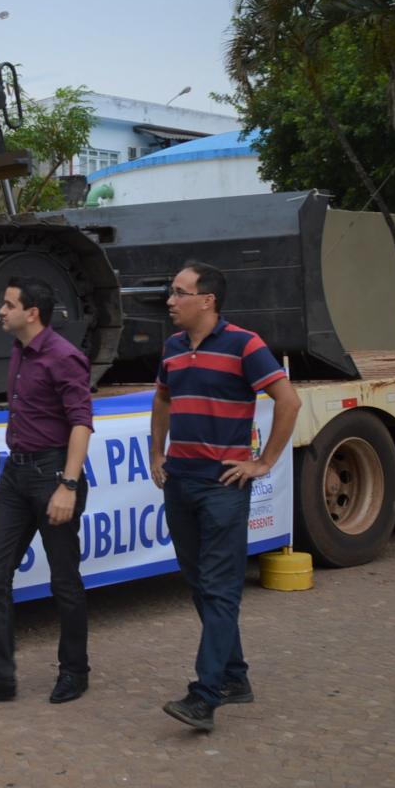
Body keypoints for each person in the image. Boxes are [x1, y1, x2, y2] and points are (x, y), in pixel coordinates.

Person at [150, 261, 301, 733]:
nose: (170, 301)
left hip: (223, 488)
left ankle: (205, 695)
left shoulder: (245, 344)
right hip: (180, 483)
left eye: (179, 292)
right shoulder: (173, 347)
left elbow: (289, 401)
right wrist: (157, 452)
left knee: (219, 589)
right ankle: (235, 677)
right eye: (171, 292)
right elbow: (162, 399)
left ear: (207, 300)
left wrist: (263, 463)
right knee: (200, 585)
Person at [0, 276, 93, 706]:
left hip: (53, 474)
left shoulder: (64, 357)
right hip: (16, 474)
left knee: (64, 580)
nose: (1, 311)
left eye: (9, 305)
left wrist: (67, 484)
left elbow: (81, 423)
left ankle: (75, 671)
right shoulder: (19, 350)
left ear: (32, 313)